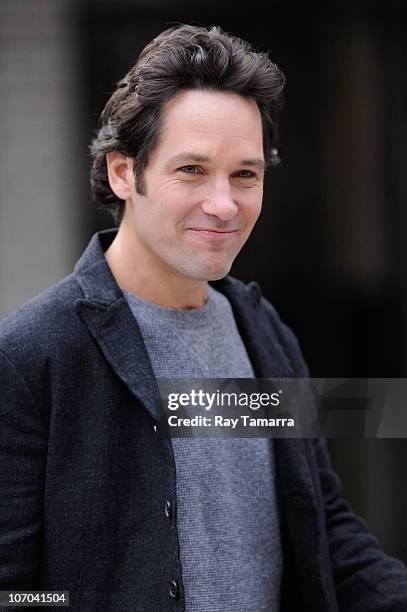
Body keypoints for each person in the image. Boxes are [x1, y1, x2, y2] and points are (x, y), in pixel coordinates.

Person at [0, 24, 406, 612]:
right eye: (191, 170)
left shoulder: (263, 333)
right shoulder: (33, 354)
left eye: (246, 174)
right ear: (123, 173)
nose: (223, 203)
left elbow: (324, 530)